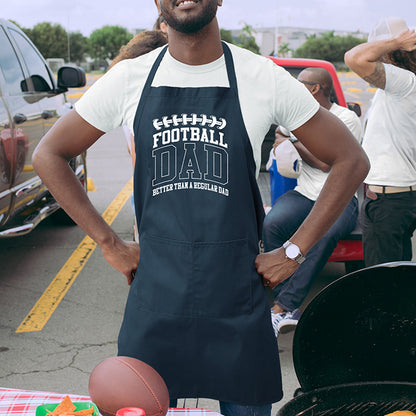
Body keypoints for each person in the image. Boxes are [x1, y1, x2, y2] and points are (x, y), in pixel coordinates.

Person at [32, 1, 369, 414]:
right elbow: (49, 155)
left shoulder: (261, 76)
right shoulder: (129, 78)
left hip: (238, 297)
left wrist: (294, 251)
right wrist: (108, 242)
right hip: (155, 297)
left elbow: (351, 160)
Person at [262, 67, 362, 336]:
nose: (296, 86)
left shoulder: (346, 118)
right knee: (272, 223)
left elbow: (325, 162)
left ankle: (283, 306)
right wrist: (291, 141)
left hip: (340, 198)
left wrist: (292, 140)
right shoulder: (294, 116)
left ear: (315, 88)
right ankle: (285, 301)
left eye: (300, 83)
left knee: (323, 234)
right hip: (305, 193)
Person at [345, 17, 416, 267]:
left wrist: (395, 42)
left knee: (381, 279)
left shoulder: (403, 83)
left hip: (389, 199)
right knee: (400, 270)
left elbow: (354, 58)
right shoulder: (407, 84)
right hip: (404, 197)